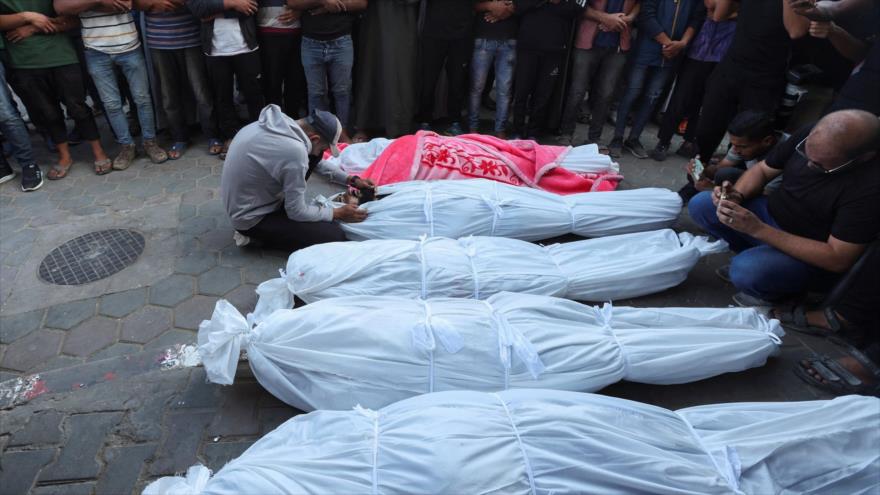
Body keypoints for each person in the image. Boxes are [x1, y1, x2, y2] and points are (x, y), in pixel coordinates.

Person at [688, 109, 880, 307]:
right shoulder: (811, 133)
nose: (808, 166)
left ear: (864, 158)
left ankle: (780, 289)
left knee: (747, 270)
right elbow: (763, 170)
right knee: (702, 205)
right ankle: (762, 259)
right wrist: (737, 195)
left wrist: (757, 229)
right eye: (805, 155)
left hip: (811, 248)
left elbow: (838, 258)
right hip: (771, 214)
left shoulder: (870, 188)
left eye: (820, 165)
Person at [221, 105, 374, 252]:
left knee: (314, 155)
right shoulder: (294, 151)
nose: (322, 152)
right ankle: (257, 238)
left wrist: (351, 179)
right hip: (251, 219)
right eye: (324, 147)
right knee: (335, 235)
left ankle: (272, 228)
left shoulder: (282, 125)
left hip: (246, 202)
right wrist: (337, 213)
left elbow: (317, 163)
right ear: (314, 138)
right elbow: (296, 211)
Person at [0, 1, 110, 181]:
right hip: (23, 60)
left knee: (78, 107)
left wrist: (33, 28)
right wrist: (27, 17)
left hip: (62, 55)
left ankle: (99, 152)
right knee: (48, 112)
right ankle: (65, 157)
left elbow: (73, 19)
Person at [54, 0, 169, 170]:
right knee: (111, 104)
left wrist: (88, 6)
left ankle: (150, 142)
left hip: (130, 45)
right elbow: (61, 7)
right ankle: (127, 146)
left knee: (142, 98)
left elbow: (129, 3)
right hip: (95, 50)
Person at [693, 0, 799, 160]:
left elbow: (796, 31)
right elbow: (719, 15)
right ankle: (695, 179)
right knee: (706, 130)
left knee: (748, 140)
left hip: (764, 78)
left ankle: (727, 179)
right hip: (731, 68)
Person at [607, 0, 705, 159]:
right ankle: (617, 138)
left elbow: (696, 19)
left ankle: (634, 139)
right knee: (632, 92)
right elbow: (646, 15)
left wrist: (682, 43)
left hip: (671, 54)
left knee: (652, 97)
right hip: (647, 49)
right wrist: (668, 43)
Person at [650, 0, 735, 161]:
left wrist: (729, 13)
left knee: (708, 102)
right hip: (699, 48)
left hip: (724, 51)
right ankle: (664, 141)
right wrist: (732, 13)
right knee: (681, 97)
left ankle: (690, 142)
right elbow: (712, 10)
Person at [136, 0, 221, 159]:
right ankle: (180, 137)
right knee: (169, 95)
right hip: (158, 40)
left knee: (201, 91)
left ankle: (212, 134)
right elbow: (133, 3)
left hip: (191, 37)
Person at [557, 0, 640, 149]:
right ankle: (566, 134)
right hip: (587, 41)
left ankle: (594, 138)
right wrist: (605, 18)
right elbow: (578, 5)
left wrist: (629, 18)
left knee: (606, 94)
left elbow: (640, 4)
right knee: (577, 91)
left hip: (617, 45)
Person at [188, 0, 264, 158]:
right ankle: (231, 137)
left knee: (254, 95)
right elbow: (197, 8)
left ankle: (258, 138)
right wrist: (233, 3)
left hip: (246, 45)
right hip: (216, 49)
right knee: (222, 97)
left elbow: (251, 6)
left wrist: (214, 11)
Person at [512, 0, 586, 140]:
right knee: (521, 92)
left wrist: (556, 3)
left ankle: (533, 133)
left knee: (543, 95)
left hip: (555, 48)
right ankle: (517, 131)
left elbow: (578, 9)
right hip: (528, 45)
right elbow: (519, 6)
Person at [289, 0, 365, 134]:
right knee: (316, 93)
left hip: (341, 40)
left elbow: (361, 3)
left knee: (342, 91)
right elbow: (293, 3)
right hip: (311, 42)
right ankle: (318, 135)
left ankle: (342, 134)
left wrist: (332, 7)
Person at [678, 110, 784, 203]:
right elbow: (720, 168)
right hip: (757, 184)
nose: (736, 150)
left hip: (776, 203)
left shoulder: (782, 158)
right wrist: (701, 170)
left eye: (742, 147)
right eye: (733, 145)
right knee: (724, 174)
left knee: (702, 202)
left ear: (767, 141)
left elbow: (763, 200)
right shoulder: (740, 145)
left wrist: (712, 189)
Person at [352, 0, 419, 139]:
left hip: (403, 20)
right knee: (370, 68)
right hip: (374, 20)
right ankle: (365, 124)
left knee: (399, 72)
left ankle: (398, 125)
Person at [416, 0, 474, 136]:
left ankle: (455, 121)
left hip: (462, 33)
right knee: (428, 80)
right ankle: (425, 121)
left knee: (457, 81)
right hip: (433, 33)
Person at [468, 0, 518, 138]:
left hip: (509, 38)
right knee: (477, 87)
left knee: (504, 90)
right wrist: (490, 6)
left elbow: (526, 4)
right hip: (484, 36)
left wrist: (506, 11)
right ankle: (473, 128)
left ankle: (500, 130)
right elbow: (471, 4)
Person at [256, 0, 306, 119]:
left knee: (295, 82)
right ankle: (274, 123)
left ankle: (293, 123)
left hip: (298, 32)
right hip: (268, 31)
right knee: (272, 83)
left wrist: (302, 10)